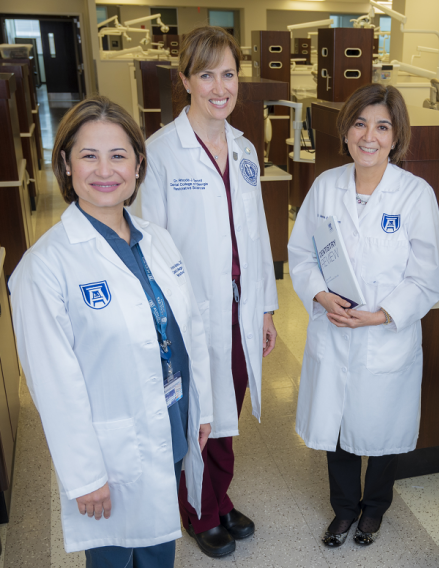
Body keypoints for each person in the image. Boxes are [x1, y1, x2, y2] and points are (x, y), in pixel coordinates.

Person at [8, 96, 213, 567]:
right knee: (115, 560)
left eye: (119, 155)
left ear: (139, 165)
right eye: (89, 155)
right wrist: (84, 476)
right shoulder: (45, 268)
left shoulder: (156, 240)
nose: (106, 170)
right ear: (65, 163)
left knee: (160, 552)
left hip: (170, 427)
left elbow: (189, 332)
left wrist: (202, 410)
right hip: (110, 458)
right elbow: (55, 385)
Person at [137, 26, 278, 558]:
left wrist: (265, 307)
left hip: (241, 309)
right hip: (191, 314)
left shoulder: (243, 149)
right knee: (198, 413)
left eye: (228, 74)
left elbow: (259, 233)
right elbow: (151, 245)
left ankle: (217, 497)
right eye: (206, 74)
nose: (220, 86)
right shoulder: (162, 153)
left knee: (228, 409)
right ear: (185, 81)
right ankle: (198, 510)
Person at [288, 83, 439, 547]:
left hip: (384, 338)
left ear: (396, 136)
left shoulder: (416, 195)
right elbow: (301, 254)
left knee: (382, 431)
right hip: (334, 331)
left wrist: (379, 317)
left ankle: (373, 511)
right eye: (360, 124)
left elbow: (424, 280)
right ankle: (343, 511)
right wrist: (319, 295)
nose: (369, 136)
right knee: (337, 429)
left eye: (381, 126)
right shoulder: (325, 186)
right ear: (346, 131)